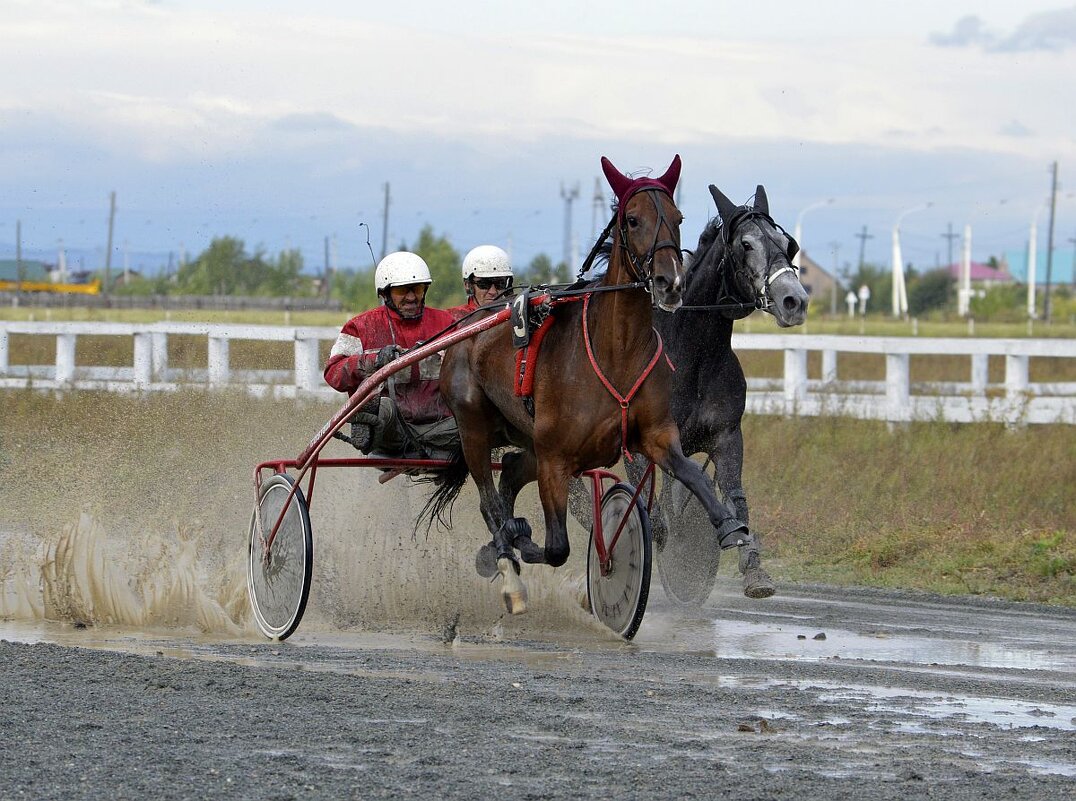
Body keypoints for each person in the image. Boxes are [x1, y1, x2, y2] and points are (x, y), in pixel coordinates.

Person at [324, 251, 458, 459]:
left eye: (418, 289)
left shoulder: (446, 323)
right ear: (385, 293)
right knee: (381, 405)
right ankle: (365, 428)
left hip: (441, 428)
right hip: (391, 432)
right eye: (403, 290)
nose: (412, 297)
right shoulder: (360, 327)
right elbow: (333, 373)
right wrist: (375, 361)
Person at [446, 245, 514, 321]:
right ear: (468, 285)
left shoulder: (516, 317)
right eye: (484, 284)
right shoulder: (451, 318)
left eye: (500, 283)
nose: (493, 292)